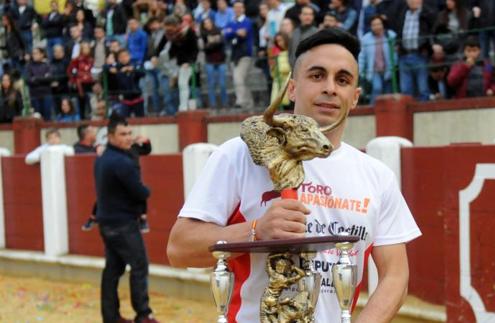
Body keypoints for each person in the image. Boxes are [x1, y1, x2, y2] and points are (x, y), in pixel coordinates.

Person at [167, 28, 421, 322]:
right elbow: (179, 248)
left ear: (355, 97)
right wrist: (255, 231)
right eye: (317, 75)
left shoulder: (377, 176)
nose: (330, 88)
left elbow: (396, 276)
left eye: (342, 79)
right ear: (291, 88)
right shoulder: (239, 154)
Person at [94, 114, 158, 323]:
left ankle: (110, 316)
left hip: (106, 222)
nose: (128, 137)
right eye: (123, 134)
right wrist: (147, 191)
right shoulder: (121, 161)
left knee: (113, 269)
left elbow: (144, 150)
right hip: (122, 224)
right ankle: (143, 314)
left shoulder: (104, 158)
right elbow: (139, 192)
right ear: (111, 136)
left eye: (129, 133)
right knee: (139, 266)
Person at [396, 0, 436, 101]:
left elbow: (433, 28)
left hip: (420, 54)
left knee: (423, 88)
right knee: (405, 89)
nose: (411, 1)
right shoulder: (403, 13)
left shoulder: (427, 13)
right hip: (404, 54)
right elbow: (398, 29)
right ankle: (406, 113)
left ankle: (424, 114)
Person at [358, 15, 397, 105]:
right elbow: (362, 56)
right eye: (374, 25)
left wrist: (394, 65)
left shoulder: (391, 35)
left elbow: (395, 53)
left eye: (378, 24)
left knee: (388, 93)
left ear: (383, 25)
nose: (376, 27)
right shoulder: (365, 39)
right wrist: (360, 70)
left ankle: (388, 112)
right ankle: (372, 109)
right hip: (374, 70)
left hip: (388, 69)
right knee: (377, 88)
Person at [224, 1, 255, 109]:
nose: (237, 9)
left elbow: (243, 32)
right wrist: (235, 32)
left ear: (243, 9)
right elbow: (225, 34)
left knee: (238, 78)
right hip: (234, 55)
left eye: (239, 7)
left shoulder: (247, 21)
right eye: (235, 7)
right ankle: (249, 104)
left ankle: (240, 101)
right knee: (242, 80)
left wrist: (232, 32)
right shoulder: (232, 21)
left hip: (245, 54)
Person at [201, 17, 228, 108]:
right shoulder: (203, 35)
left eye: (209, 22)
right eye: (205, 24)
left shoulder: (219, 31)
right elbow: (205, 48)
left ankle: (225, 104)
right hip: (209, 61)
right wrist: (214, 42)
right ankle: (213, 104)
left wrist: (211, 43)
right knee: (211, 84)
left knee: (222, 84)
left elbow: (221, 43)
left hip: (221, 60)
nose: (207, 25)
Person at [26, 48, 54, 121]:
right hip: (34, 94)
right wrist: (43, 78)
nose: (34, 55)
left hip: (46, 93)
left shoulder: (47, 65)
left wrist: (35, 78)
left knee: (47, 117)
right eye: (33, 53)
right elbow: (28, 80)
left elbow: (49, 79)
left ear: (42, 54)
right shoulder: (30, 66)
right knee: (36, 117)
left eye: (36, 53)